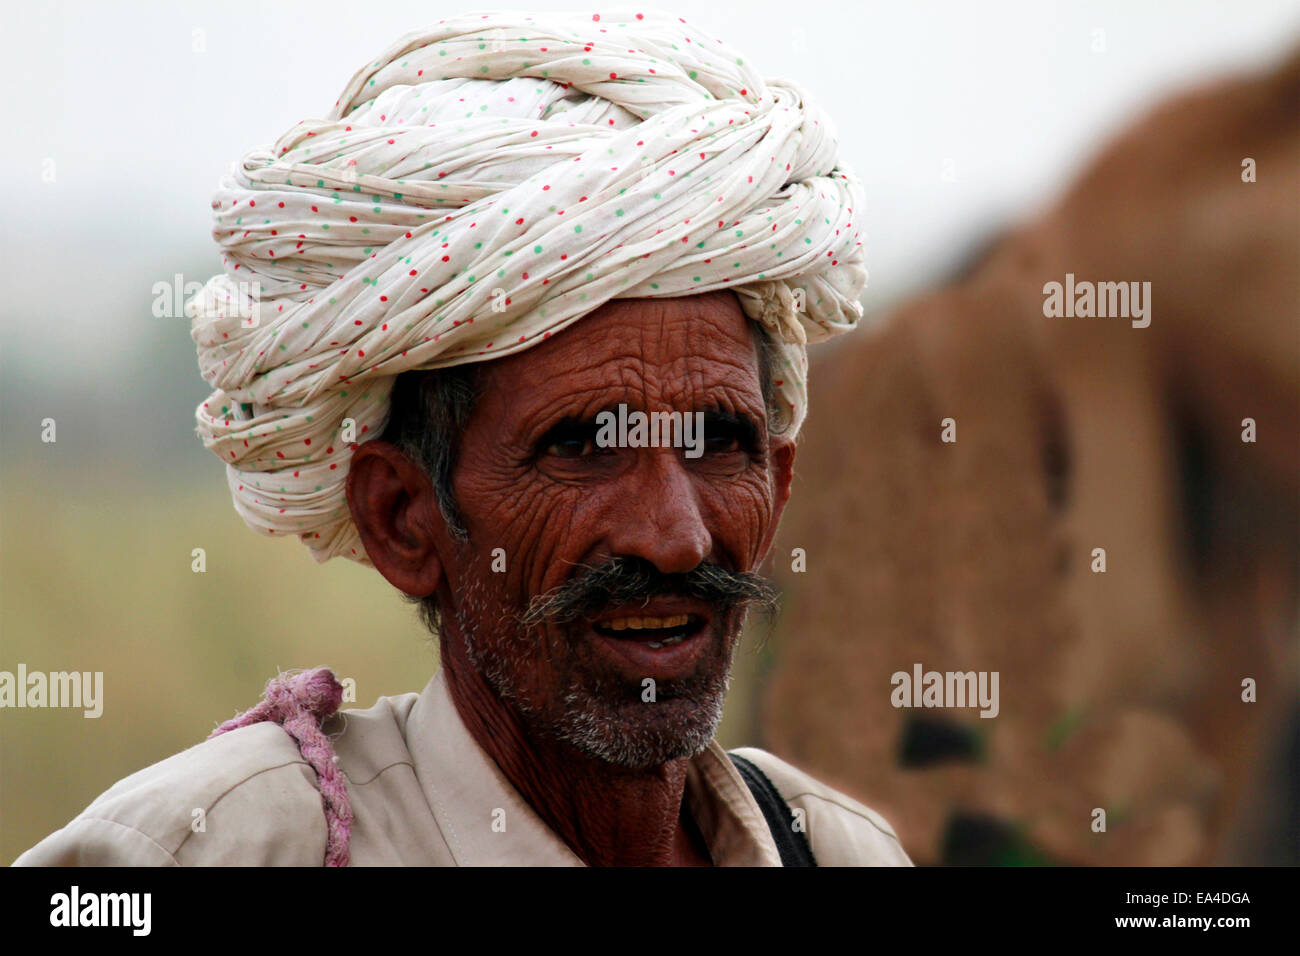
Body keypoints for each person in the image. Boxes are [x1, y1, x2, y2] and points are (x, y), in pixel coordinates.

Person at [16, 9, 910, 867]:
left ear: (780, 484)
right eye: (584, 447)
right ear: (402, 517)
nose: (675, 536)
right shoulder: (203, 852)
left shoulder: (837, 852)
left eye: (720, 444)